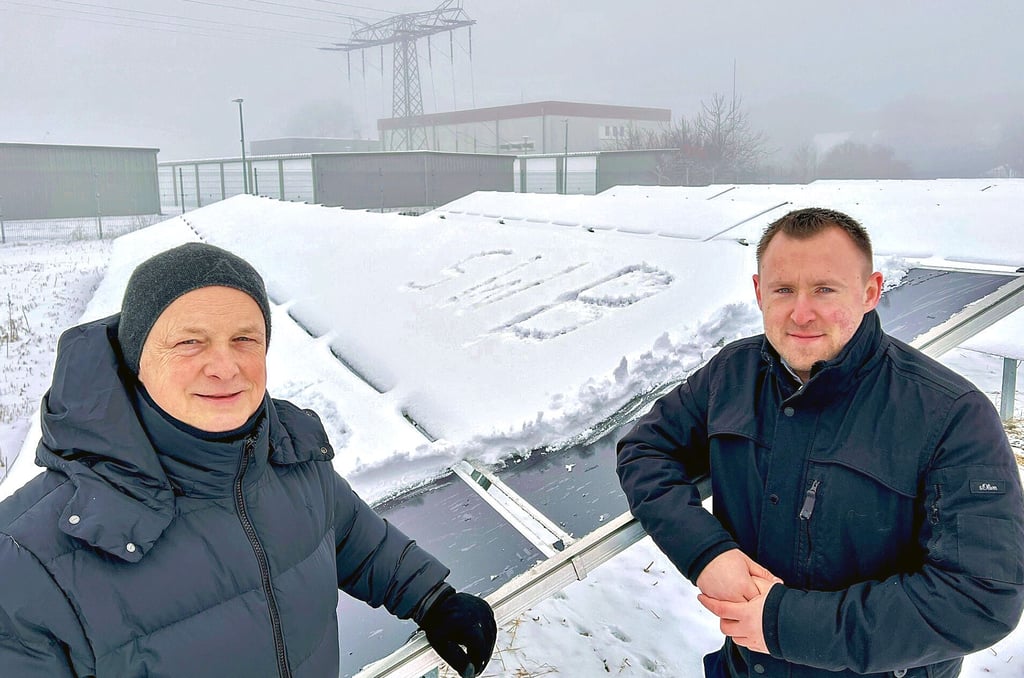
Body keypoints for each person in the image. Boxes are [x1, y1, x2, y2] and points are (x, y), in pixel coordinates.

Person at [0, 242, 496, 677]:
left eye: (245, 339)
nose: (224, 366)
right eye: (189, 341)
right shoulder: (27, 559)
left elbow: (351, 535)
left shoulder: (291, 459)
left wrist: (432, 599)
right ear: (136, 359)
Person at [616, 207, 1024, 677]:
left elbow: (979, 598)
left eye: (825, 289)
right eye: (784, 290)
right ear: (758, 293)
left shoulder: (951, 415)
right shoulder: (732, 375)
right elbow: (645, 449)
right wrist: (707, 552)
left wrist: (783, 623)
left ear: (870, 292)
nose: (802, 312)